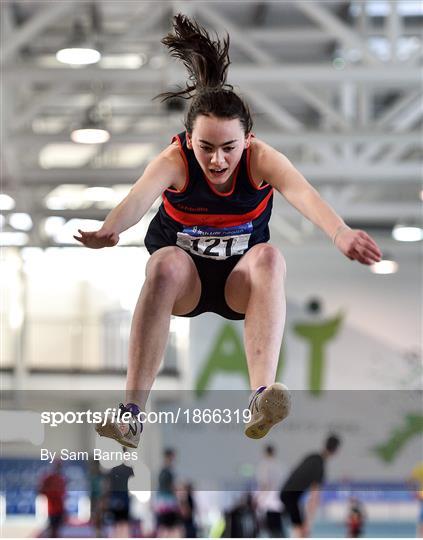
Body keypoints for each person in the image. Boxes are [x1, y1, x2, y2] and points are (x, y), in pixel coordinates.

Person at [75, 15, 382, 449]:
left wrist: (341, 234)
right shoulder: (174, 161)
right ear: (188, 140)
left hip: (240, 283)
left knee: (271, 258)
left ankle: (261, 396)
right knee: (163, 263)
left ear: (247, 140)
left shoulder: (262, 159)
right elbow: (139, 198)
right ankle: (131, 415)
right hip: (187, 283)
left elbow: (304, 194)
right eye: (206, 147)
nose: (217, 161)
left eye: (228, 148)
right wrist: (111, 229)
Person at [280, 434, 341, 538]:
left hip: (286, 493)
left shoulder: (311, 456)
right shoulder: (320, 467)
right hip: (290, 497)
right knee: (302, 531)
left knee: (299, 529)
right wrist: (308, 523)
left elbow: (294, 473)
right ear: (336, 450)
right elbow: (314, 497)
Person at [255, 444, 287, 537]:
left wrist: (258, 499)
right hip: (280, 502)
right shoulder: (281, 465)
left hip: (268, 503)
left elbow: (264, 485)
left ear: (265, 453)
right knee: (279, 529)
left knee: (272, 531)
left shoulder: (264, 465)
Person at [154, 448, 183, 537]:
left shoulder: (166, 470)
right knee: (168, 528)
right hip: (167, 503)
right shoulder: (166, 471)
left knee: (167, 527)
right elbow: (171, 487)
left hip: (165, 502)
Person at [107, 449, 134, 538]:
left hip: (118, 497)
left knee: (118, 523)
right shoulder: (128, 469)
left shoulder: (114, 470)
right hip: (121, 497)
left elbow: (109, 486)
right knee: (122, 523)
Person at [38, 461, 66, 538]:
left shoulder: (62, 479)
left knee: (57, 529)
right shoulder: (49, 478)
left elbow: (64, 494)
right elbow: (40, 491)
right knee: (53, 529)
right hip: (52, 508)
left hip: (60, 508)